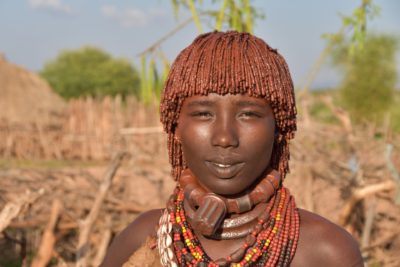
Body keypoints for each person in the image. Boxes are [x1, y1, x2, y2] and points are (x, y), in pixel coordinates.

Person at [101, 31, 363, 267]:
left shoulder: (326, 251)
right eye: (203, 114)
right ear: (176, 127)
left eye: (248, 114)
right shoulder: (146, 237)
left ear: (279, 128)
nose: (224, 138)